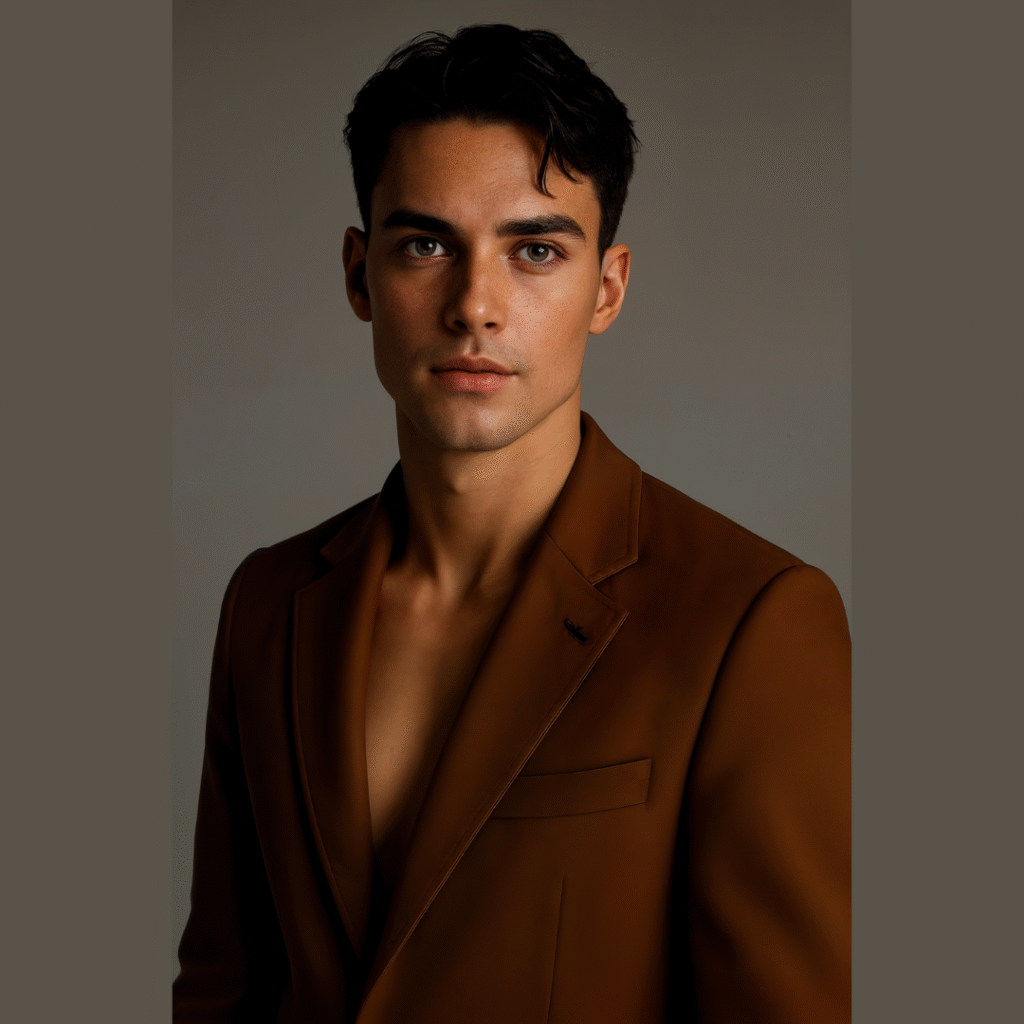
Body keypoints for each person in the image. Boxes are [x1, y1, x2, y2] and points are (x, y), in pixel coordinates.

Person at [173, 24, 850, 1023]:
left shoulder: (754, 620)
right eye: (426, 245)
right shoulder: (268, 602)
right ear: (359, 275)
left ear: (606, 288)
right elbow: (222, 990)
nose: (474, 306)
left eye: (534, 250)